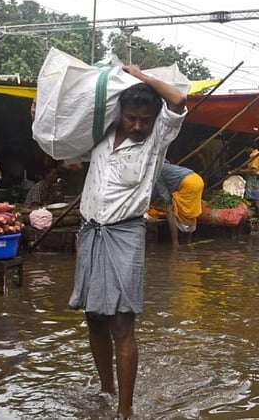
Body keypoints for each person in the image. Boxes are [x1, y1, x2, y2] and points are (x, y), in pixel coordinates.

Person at [68, 65, 187, 420]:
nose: (137, 126)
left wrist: (140, 76)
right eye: (131, 118)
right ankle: (106, 392)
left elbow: (179, 99)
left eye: (144, 119)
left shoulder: (156, 140)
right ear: (119, 113)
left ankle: (125, 410)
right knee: (94, 319)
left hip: (125, 234)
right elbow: (64, 148)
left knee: (122, 324)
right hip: (90, 231)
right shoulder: (101, 136)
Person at [154, 161, 204, 248]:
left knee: (171, 212)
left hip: (187, 183)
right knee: (190, 210)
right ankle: (188, 242)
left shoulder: (156, 170)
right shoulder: (167, 166)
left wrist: (168, 204)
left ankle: (175, 243)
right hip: (198, 180)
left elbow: (163, 192)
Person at [231, 142, 259, 217]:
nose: (245, 150)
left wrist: (240, 171)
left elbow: (253, 170)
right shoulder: (257, 153)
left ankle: (258, 212)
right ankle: (257, 212)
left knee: (254, 195)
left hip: (254, 177)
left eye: (246, 148)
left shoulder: (254, 155)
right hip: (256, 177)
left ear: (250, 147)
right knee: (254, 195)